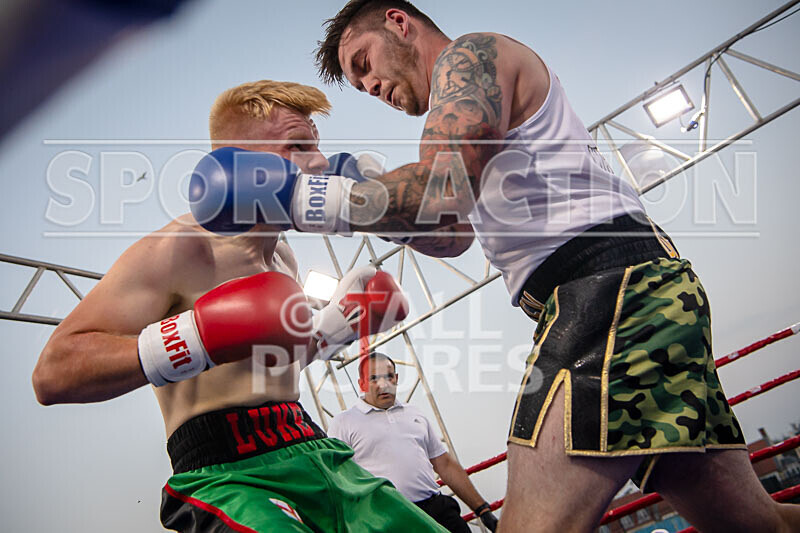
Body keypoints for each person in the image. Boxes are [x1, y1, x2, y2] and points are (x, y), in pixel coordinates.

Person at [300, 1, 800, 532]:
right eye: (359, 84)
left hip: (608, 295)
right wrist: (360, 198)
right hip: (630, 291)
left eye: (364, 63)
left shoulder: (471, 57)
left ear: (399, 22)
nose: (371, 85)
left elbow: (437, 191)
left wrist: (303, 197)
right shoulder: (463, 113)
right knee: (756, 526)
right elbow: (451, 238)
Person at [31, 79, 447, 533]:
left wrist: (329, 330)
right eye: (298, 145)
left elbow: (268, 353)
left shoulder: (283, 258)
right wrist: (198, 334)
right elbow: (53, 372)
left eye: (317, 146)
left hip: (314, 448)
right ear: (241, 161)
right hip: (227, 473)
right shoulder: (181, 248)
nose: (321, 163)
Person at [329, 352, 499, 532]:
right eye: (374, 378)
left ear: (396, 378)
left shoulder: (414, 412)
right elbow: (337, 480)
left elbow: (444, 464)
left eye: (388, 377)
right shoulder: (343, 422)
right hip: (389, 519)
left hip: (436, 508)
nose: (383, 384)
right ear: (361, 384)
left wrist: (482, 509)